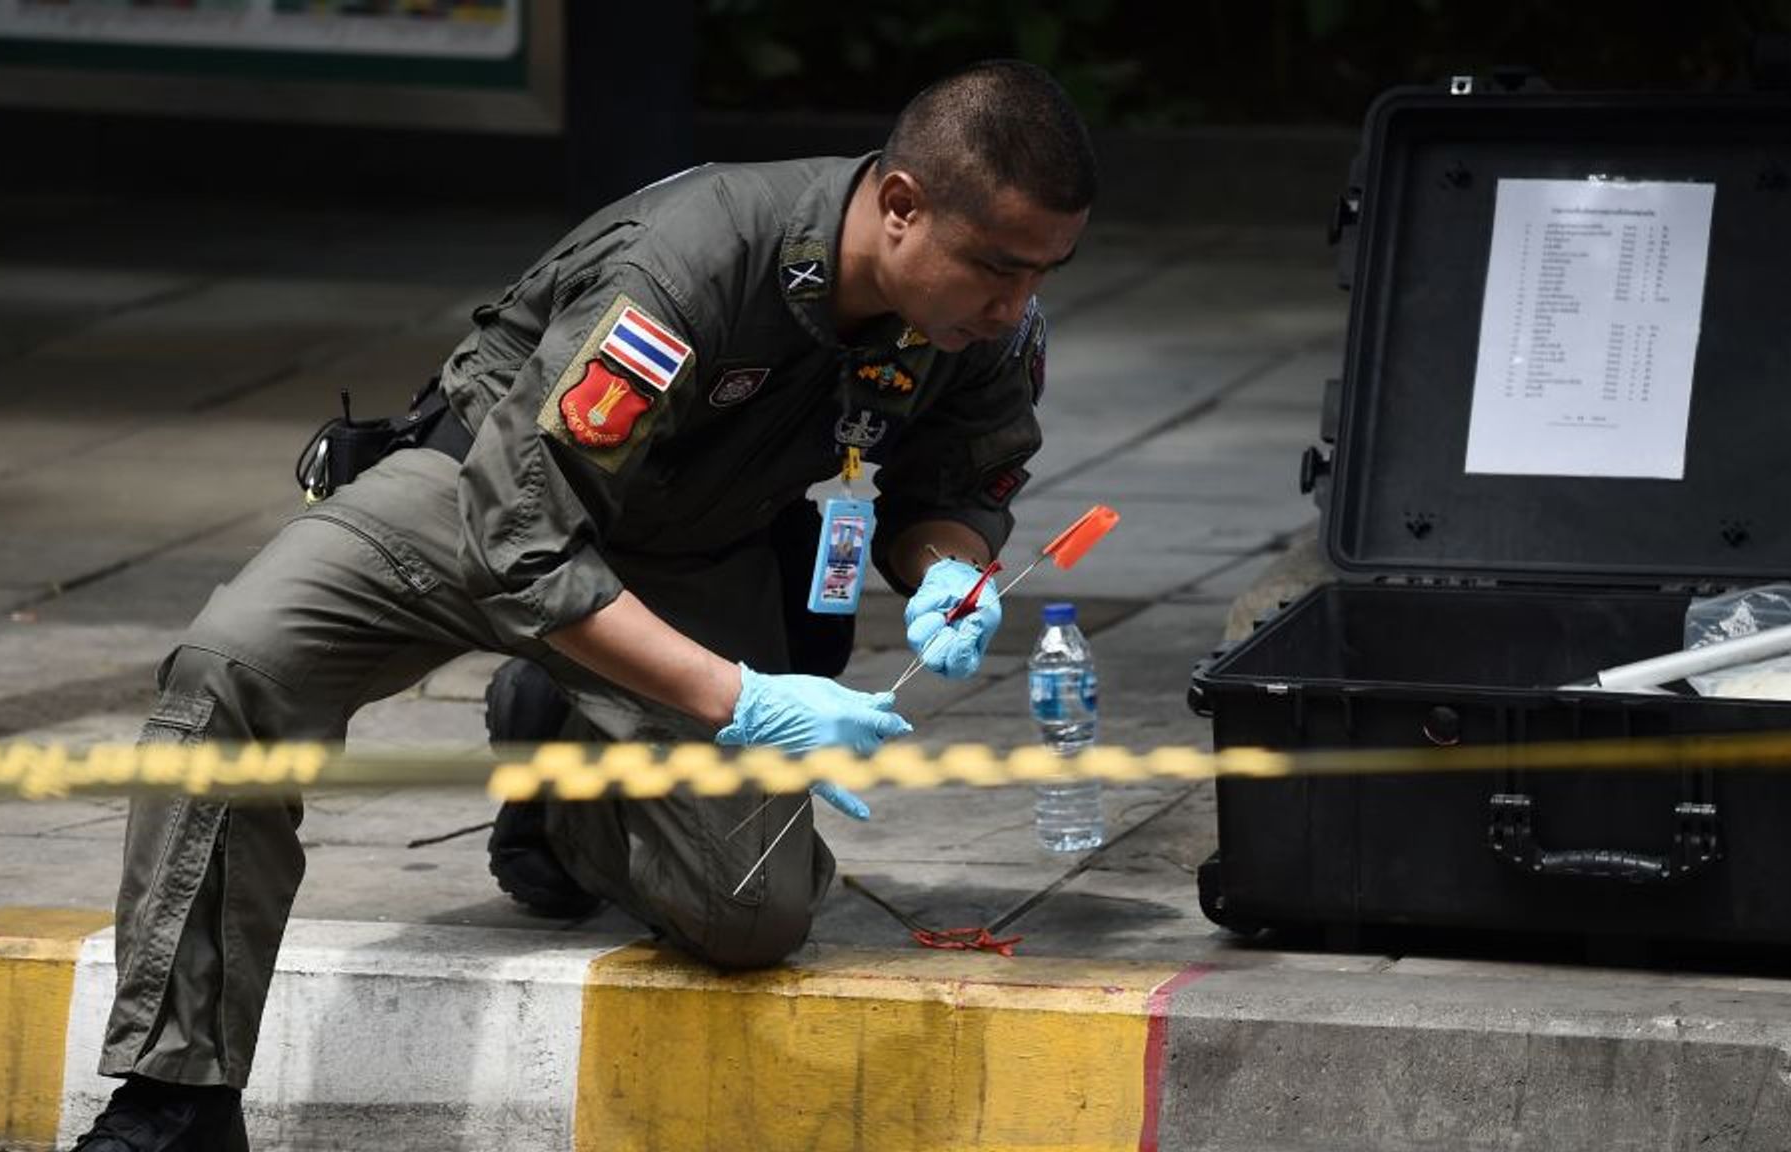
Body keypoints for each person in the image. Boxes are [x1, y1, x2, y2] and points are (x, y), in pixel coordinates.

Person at [71, 59, 1094, 1151]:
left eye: (1042, 276)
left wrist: (946, 568)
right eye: (995, 269)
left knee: (751, 912)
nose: (1013, 306)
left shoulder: (982, 329)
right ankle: (173, 1098)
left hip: (689, 548)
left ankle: (558, 772)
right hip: (480, 498)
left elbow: (954, 487)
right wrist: (736, 696)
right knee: (234, 669)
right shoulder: (693, 263)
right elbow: (523, 539)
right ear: (899, 206)